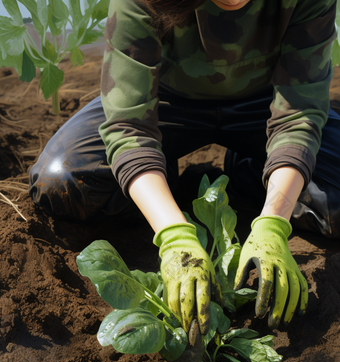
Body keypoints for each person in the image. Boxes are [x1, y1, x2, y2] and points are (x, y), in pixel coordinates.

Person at [29, 0, 340, 334]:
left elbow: (299, 116)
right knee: (61, 183)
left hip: (270, 101)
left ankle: (253, 171)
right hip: (164, 99)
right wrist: (174, 235)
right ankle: (160, 181)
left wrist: (275, 221)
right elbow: (129, 126)